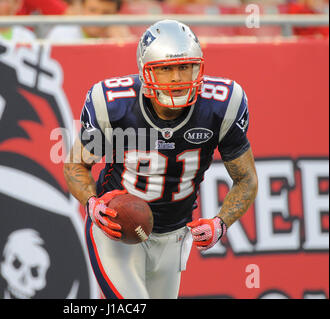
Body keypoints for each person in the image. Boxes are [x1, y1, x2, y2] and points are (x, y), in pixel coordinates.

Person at [63, 19, 258, 299]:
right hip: (117, 230)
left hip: (175, 234)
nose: (177, 78)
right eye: (166, 69)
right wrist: (92, 205)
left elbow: (246, 179)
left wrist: (221, 222)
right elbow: (76, 164)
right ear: (145, 71)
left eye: (184, 66)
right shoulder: (113, 104)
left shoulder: (222, 105)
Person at [46, 0, 133, 43]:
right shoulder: (61, 33)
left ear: (115, 14)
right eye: (93, 10)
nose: (98, 18)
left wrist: (121, 45)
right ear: (82, 8)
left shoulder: (121, 36)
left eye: (106, 13)